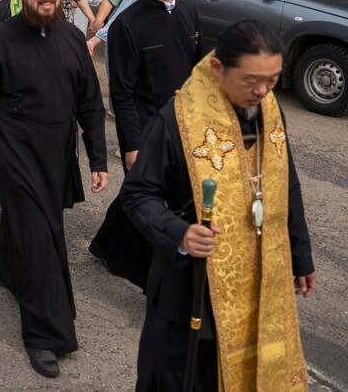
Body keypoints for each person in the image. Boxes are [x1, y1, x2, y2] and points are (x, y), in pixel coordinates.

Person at [120, 20, 315, 391]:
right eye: (251, 80)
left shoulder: (270, 111)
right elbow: (137, 194)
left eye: (272, 80)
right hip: (190, 290)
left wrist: (300, 254)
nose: (262, 91)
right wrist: (180, 233)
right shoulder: (174, 120)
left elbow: (285, 183)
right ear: (217, 68)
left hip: (257, 279)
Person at [0, 0, 108, 378]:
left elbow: (91, 104)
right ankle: (43, 335)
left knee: (34, 227)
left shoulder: (74, 40)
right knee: (41, 238)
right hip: (14, 154)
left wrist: (98, 157)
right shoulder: (1, 40)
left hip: (57, 154)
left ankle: (0, 255)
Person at [89, 0, 203, 289]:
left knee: (143, 194)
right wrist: (131, 145)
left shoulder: (188, 13)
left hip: (182, 124)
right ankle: (154, 276)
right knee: (157, 197)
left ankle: (107, 244)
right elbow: (121, 92)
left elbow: (198, 75)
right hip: (148, 126)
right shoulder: (129, 25)